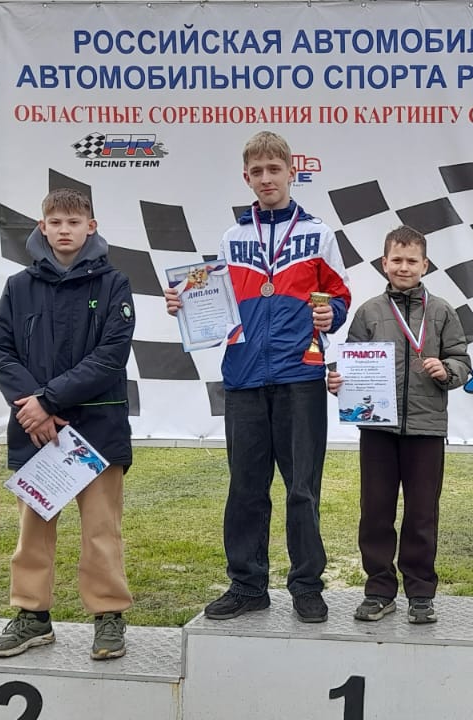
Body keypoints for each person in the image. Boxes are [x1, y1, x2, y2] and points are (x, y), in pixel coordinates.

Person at [165, 131, 351, 624]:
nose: (267, 178)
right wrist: (184, 303)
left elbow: (339, 295)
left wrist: (332, 312)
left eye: (275, 169)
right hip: (245, 375)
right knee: (246, 488)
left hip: (300, 374)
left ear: (292, 172)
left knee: (302, 489)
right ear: (246, 178)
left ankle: (306, 587)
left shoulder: (319, 233)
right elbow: (213, 299)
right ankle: (247, 586)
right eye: (257, 171)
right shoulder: (232, 238)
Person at [0, 187, 136, 660]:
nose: (64, 230)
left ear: (91, 227)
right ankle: (32, 617)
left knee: (101, 530)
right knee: (32, 529)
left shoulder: (114, 284)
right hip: (36, 430)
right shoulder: (19, 286)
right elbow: (2, 350)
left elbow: (110, 356)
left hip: (98, 429)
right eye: (56, 222)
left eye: (74, 222)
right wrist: (33, 408)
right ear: (42, 227)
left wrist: (48, 401)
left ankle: (108, 616)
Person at [326, 225, 472, 624]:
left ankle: (420, 593)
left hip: (426, 429)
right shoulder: (369, 312)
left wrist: (447, 369)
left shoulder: (441, 311)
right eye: (397, 260)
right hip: (377, 430)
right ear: (383, 263)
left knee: (422, 514)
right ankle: (378, 590)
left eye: (411, 261)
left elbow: (462, 361)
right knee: (375, 512)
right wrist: (339, 383)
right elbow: (351, 363)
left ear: (425, 265)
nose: (403, 267)